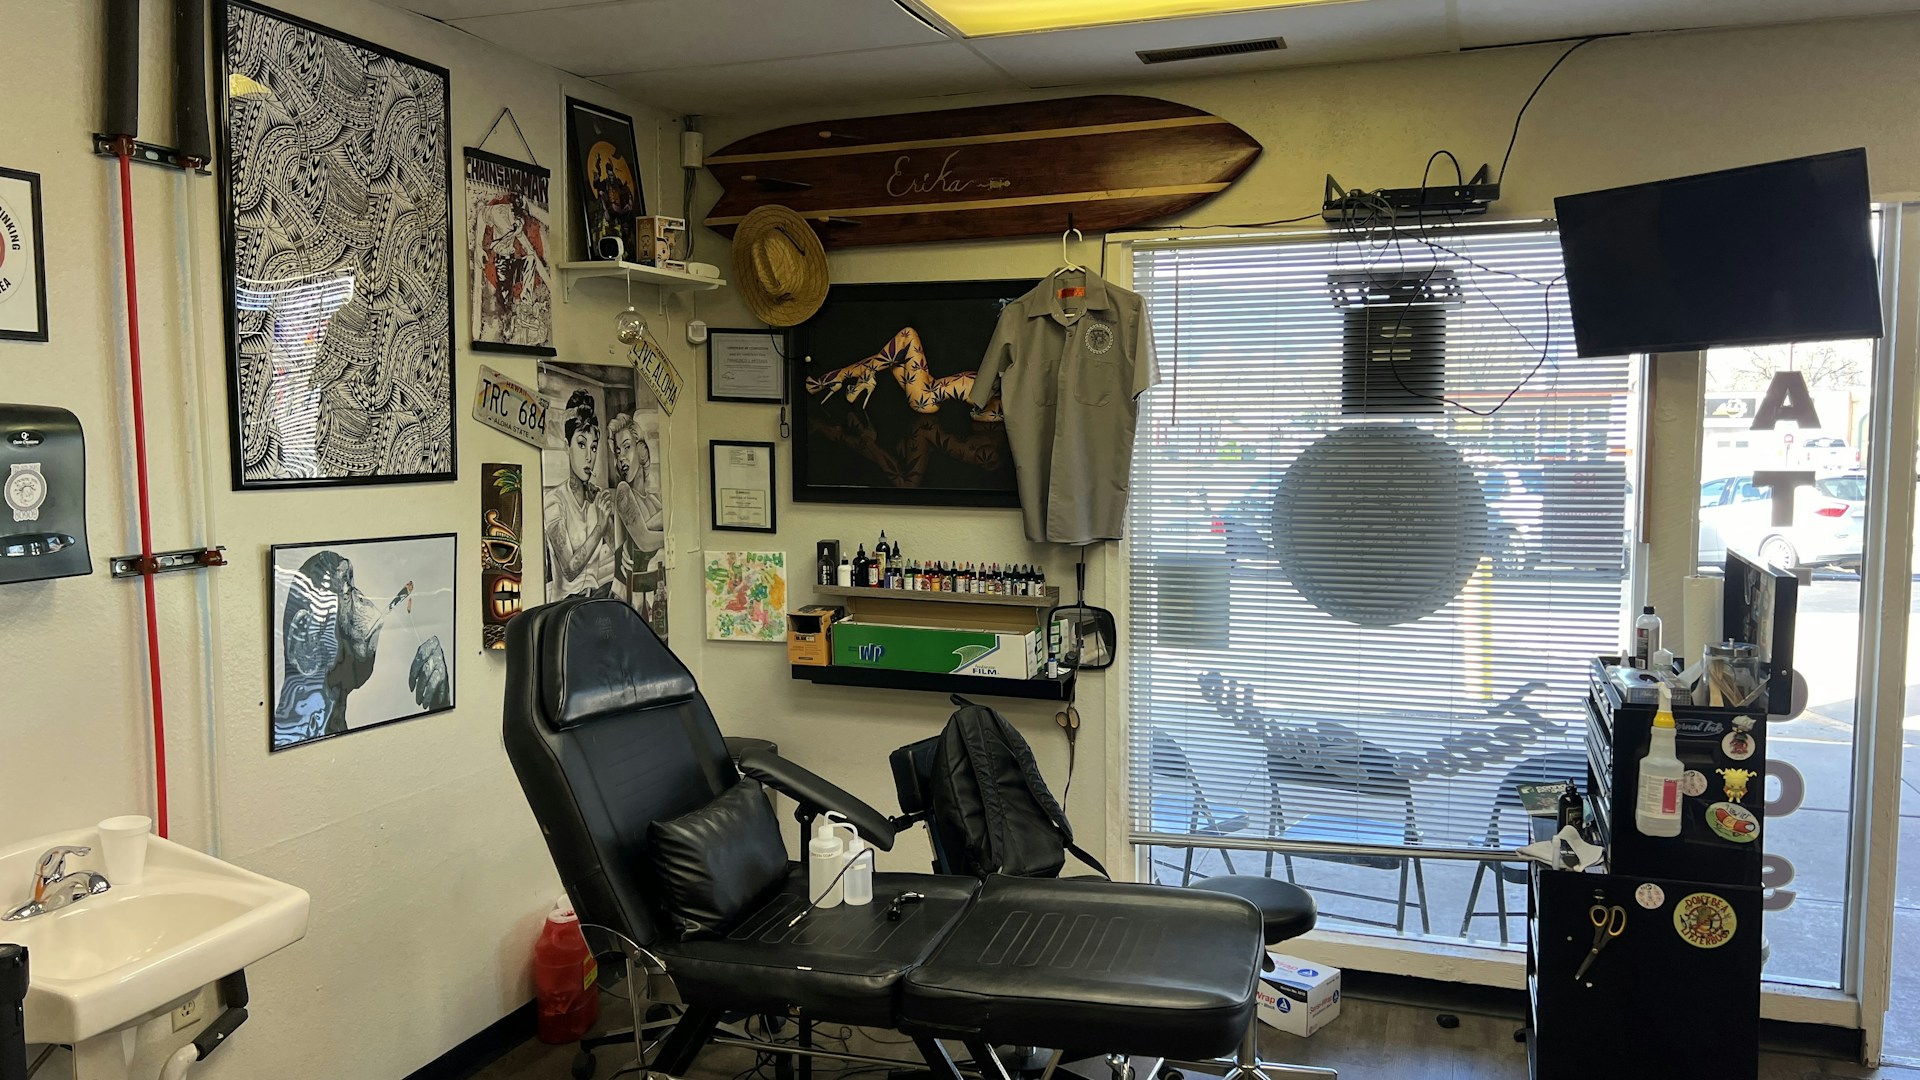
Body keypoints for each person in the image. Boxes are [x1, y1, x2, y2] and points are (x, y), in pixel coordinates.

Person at [544, 391, 615, 598]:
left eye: (594, 447)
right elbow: (569, 569)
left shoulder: (597, 498)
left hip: (594, 600)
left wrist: (608, 517)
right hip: (565, 607)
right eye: (581, 444)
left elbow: (619, 551)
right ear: (567, 446)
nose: (588, 457)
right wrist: (600, 527)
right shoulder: (554, 501)